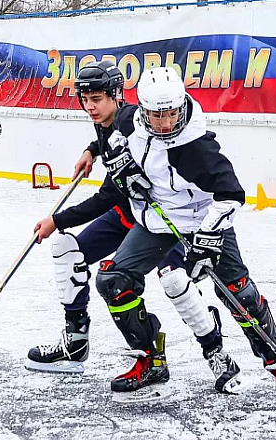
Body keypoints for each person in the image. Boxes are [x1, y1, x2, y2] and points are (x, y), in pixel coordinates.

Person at [26, 61, 240, 394]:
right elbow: (107, 140)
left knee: (175, 282)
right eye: (85, 99)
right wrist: (91, 149)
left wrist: (58, 219)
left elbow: (107, 195)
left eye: (97, 98)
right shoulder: (108, 121)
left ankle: (216, 350)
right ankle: (78, 342)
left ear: (117, 96)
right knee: (70, 253)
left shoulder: (132, 125)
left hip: (159, 221)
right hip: (129, 218)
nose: (90, 107)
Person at [95, 66, 276, 398]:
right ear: (142, 111)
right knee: (113, 280)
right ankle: (150, 359)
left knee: (236, 291)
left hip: (205, 218)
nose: (165, 123)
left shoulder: (197, 148)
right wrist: (122, 168)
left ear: (181, 106)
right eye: (156, 115)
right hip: (159, 219)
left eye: (171, 113)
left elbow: (232, 195)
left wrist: (207, 239)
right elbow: (112, 139)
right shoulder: (129, 121)